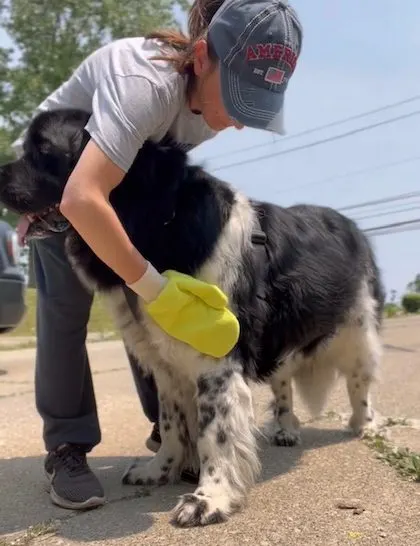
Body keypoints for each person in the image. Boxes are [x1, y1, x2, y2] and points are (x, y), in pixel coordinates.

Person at [12, 0, 303, 510]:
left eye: (256, 105)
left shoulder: (210, 109)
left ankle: (171, 432)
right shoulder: (145, 83)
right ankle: (67, 447)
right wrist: (153, 285)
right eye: (239, 99)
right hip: (58, 176)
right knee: (66, 312)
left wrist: (156, 281)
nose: (239, 121)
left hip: (118, 188)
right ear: (202, 58)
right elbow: (83, 197)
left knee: (143, 306)